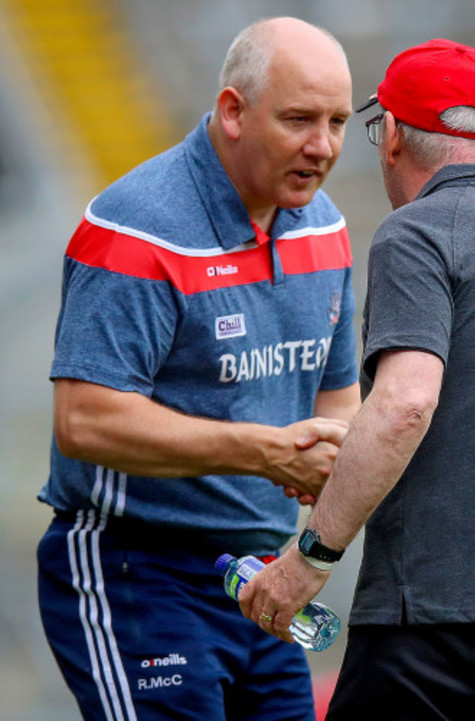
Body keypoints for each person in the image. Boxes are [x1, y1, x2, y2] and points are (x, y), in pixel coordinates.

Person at [239, 38, 475, 721]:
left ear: (393, 134)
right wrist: (344, 456)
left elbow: (406, 403)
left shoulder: (419, 232)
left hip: (431, 622)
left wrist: (311, 555)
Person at [37, 16, 360, 721]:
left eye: (338, 121)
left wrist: (328, 452)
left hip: (258, 578)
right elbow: (84, 419)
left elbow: (339, 395)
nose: (323, 146)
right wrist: (266, 450)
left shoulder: (327, 229)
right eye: (300, 119)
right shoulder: (136, 227)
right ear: (233, 113)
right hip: (134, 570)